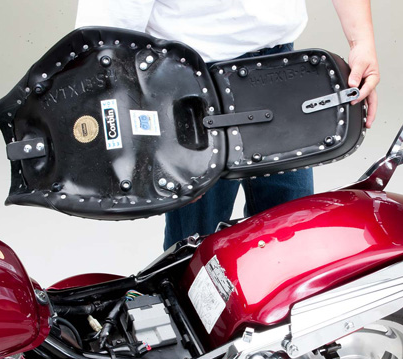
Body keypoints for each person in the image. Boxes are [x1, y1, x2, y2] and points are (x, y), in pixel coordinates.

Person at [76, 0, 380, 249]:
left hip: (281, 70)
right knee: (195, 249)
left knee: (292, 234)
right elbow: (102, 39)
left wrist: (362, 43)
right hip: (188, 89)